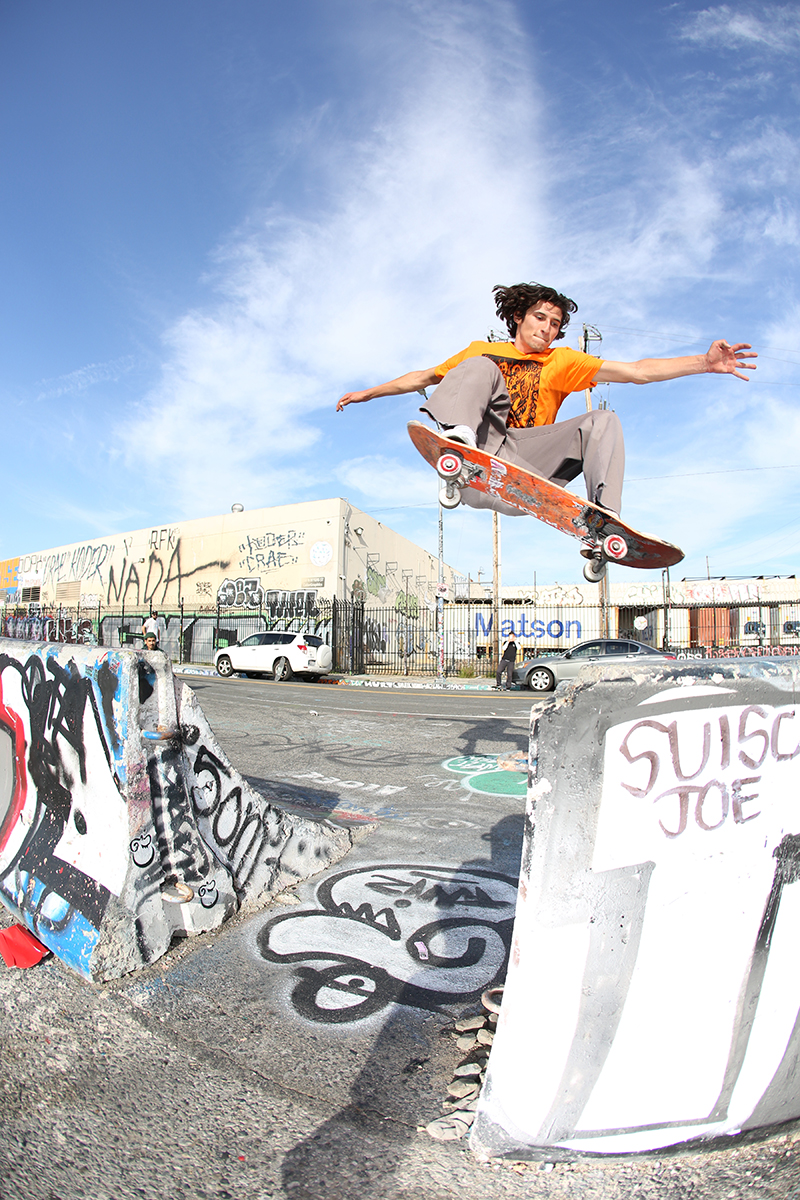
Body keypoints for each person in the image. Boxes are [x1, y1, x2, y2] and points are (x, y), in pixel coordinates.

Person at [336, 282, 756, 519]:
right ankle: (460, 445)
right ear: (518, 317)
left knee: (603, 420)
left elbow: (636, 371)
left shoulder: (562, 361)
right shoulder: (480, 351)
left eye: (555, 324)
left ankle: (602, 521)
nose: (547, 329)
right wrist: (367, 393)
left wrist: (703, 362)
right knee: (482, 365)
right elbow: (424, 377)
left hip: (526, 465)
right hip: (481, 456)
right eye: (540, 318)